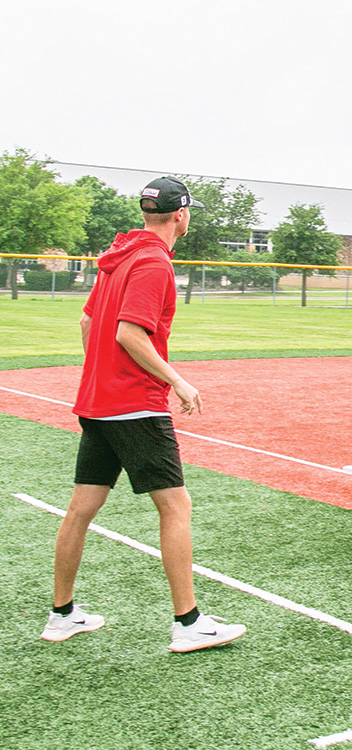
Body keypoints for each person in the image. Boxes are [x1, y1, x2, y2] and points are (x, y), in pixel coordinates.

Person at [41, 176, 246, 653]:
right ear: (181, 215)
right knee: (175, 507)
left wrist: (102, 377)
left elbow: (88, 323)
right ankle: (188, 623)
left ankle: (62, 615)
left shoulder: (121, 256)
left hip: (97, 404)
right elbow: (129, 334)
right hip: (135, 405)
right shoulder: (153, 261)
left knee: (81, 509)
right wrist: (178, 380)